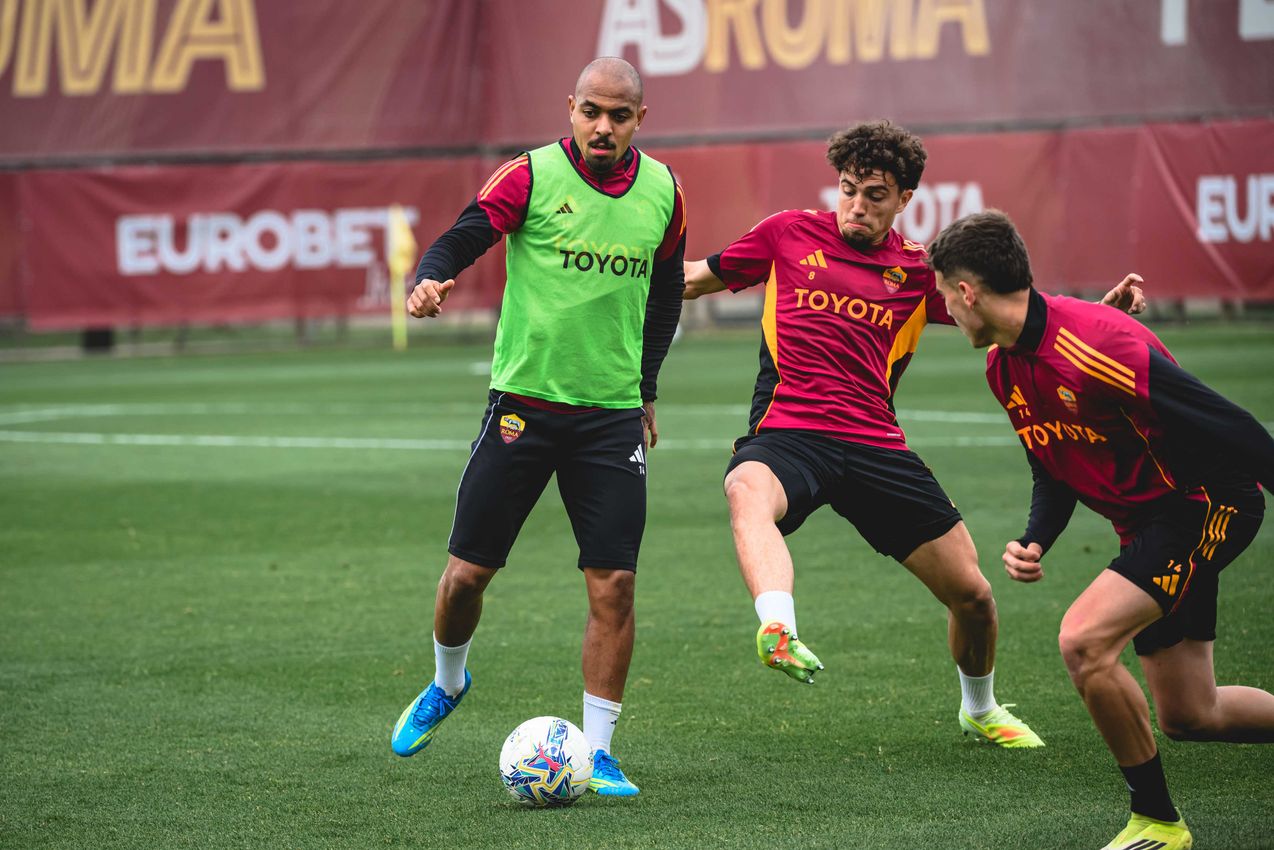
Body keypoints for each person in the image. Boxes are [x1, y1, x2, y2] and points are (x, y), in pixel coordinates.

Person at [682, 120, 1142, 748]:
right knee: (745, 489)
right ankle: (778, 627)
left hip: (875, 445)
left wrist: (1102, 314)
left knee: (974, 596)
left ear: (904, 200)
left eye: (875, 195)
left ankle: (979, 708)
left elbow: (1018, 313)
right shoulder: (787, 234)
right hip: (791, 433)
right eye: (848, 189)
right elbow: (689, 279)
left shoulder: (918, 269)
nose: (857, 206)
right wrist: (616, 272)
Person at [927, 209, 1273, 850]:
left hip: (1203, 505)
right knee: (1192, 715)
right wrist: (1036, 538)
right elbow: (1051, 466)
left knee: (1084, 642)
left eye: (946, 295)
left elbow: (1234, 426)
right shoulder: (1004, 367)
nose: (946, 310)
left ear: (967, 292)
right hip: (1149, 523)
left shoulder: (1096, 345)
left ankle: (1158, 825)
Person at [390, 57, 686, 799]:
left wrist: (646, 390)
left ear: (639, 121)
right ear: (572, 108)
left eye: (619, 116)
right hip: (523, 406)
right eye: (591, 111)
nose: (602, 127)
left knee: (613, 582)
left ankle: (602, 750)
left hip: (610, 416)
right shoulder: (530, 175)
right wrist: (431, 275)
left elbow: (664, 301)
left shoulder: (665, 194)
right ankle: (448, 683)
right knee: (466, 576)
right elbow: (465, 233)